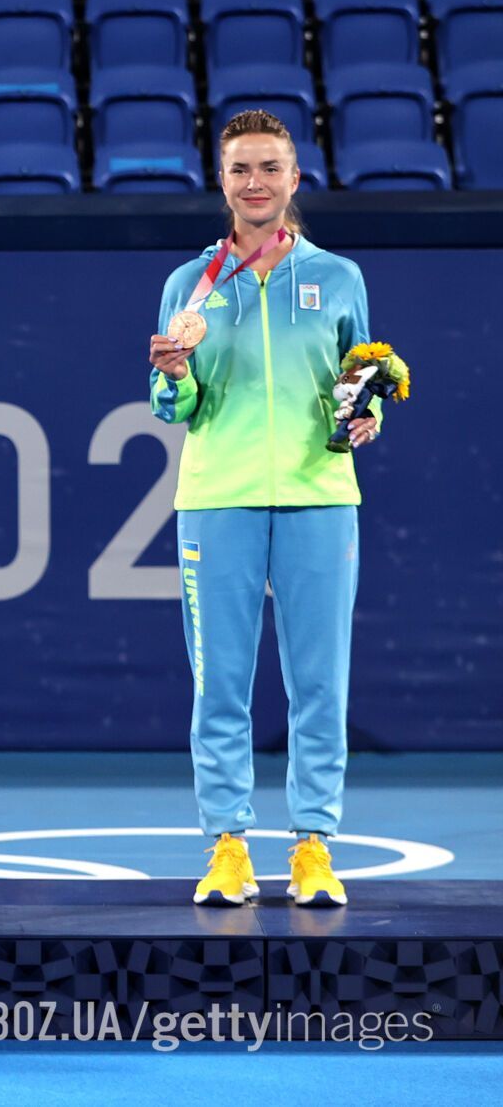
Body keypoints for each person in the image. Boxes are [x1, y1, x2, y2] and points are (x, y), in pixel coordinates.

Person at [148, 109, 380, 909]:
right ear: (222, 180)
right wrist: (173, 373)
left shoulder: (339, 279)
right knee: (221, 685)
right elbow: (169, 406)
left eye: (270, 168)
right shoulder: (190, 285)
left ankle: (314, 846)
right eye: (241, 169)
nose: (256, 182)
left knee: (321, 683)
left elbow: (360, 385)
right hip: (219, 501)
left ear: (294, 180)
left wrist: (366, 416)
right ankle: (228, 846)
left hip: (320, 501)